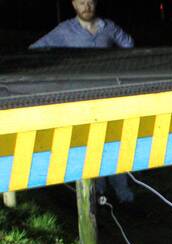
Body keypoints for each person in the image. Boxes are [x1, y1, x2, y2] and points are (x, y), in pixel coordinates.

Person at [31, 0, 136, 204]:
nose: (86, 6)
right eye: (81, 2)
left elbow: (129, 45)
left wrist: (117, 65)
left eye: (89, 1)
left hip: (108, 97)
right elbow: (36, 49)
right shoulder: (64, 30)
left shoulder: (109, 27)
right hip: (80, 100)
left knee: (115, 142)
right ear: (73, 4)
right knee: (90, 144)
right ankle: (97, 192)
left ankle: (123, 192)